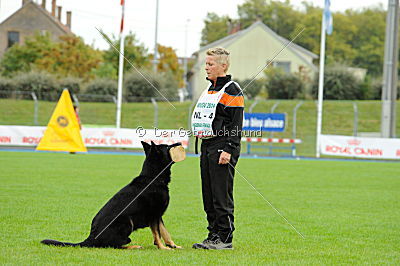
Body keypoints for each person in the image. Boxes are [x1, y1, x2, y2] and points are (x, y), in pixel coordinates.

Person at [191, 47, 244, 250]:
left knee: (221, 195)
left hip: (223, 146)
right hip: (207, 146)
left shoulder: (231, 90)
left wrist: (229, 149)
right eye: (206, 64)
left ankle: (225, 238)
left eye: (210, 64)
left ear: (223, 65)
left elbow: (236, 124)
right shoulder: (209, 89)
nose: (206, 68)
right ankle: (213, 235)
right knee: (209, 194)